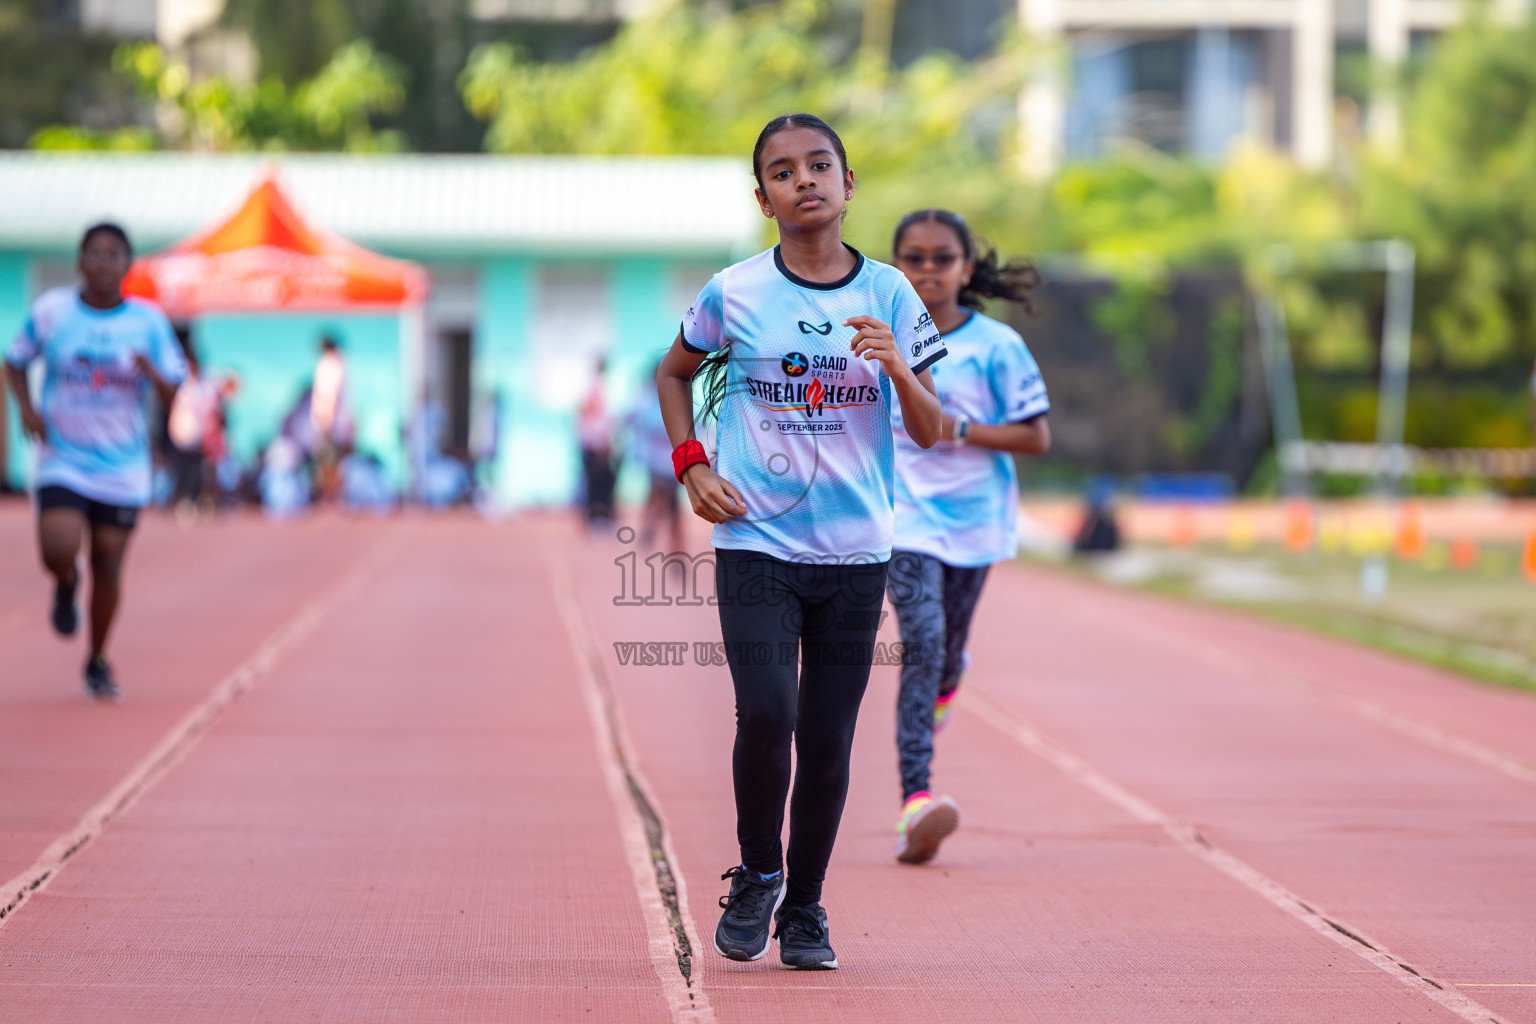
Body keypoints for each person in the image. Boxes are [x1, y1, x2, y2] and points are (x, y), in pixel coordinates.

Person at [655, 114, 944, 970]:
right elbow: (672, 373)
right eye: (783, 172)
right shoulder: (735, 290)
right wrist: (692, 465)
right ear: (764, 199)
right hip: (756, 543)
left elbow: (931, 431)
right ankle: (758, 874)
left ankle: (807, 907)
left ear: (848, 183)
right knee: (768, 714)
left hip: (855, 553)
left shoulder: (891, 293)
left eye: (820, 165)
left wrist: (898, 369)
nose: (804, 180)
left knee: (825, 741)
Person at [885, 209, 1051, 865]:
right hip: (903, 516)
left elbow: (1035, 437)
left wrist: (956, 428)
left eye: (942, 258)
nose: (927, 270)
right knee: (922, 642)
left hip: (975, 520)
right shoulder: (878, 337)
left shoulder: (997, 346)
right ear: (895, 266)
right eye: (914, 257)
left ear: (966, 268)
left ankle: (950, 682)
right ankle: (916, 801)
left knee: (946, 652)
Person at [4, 223, 187, 701]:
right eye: (95, 253)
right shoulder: (53, 312)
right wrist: (26, 409)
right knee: (58, 548)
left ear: (128, 265)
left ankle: (97, 659)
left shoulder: (148, 322)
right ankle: (66, 581)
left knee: (108, 566)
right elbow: (15, 360)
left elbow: (175, 391)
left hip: (122, 466)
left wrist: (151, 374)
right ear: (80, 261)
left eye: (114, 254)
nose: (104, 263)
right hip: (63, 456)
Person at [628, 362, 683, 550]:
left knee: (663, 501)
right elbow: (636, 424)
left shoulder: (652, 397)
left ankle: (659, 536)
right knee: (663, 501)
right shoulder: (648, 398)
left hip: (669, 461)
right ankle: (671, 544)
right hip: (661, 461)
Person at [577, 358, 617, 527]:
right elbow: (593, 416)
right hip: (595, 443)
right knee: (598, 481)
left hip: (593, 442)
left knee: (598, 480)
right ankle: (596, 518)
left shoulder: (595, 386)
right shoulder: (596, 387)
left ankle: (598, 517)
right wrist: (601, 441)